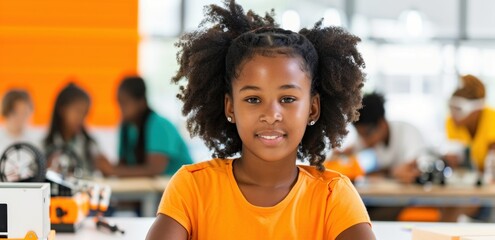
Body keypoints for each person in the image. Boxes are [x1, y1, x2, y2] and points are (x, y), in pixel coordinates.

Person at [146, 1, 374, 239]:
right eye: (253, 99)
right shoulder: (193, 188)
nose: (271, 114)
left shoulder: (333, 196)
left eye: (287, 98)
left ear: (313, 108)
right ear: (230, 107)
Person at [98, 76, 193, 177]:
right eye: (119, 103)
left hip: (181, 185)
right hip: (151, 189)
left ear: (141, 102)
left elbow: (155, 169)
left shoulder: (158, 124)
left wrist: (113, 170)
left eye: (124, 103)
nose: (120, 109)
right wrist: (106, 167)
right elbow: (124, 166)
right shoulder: (126, 127)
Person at [350, 92, 426, 183]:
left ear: (382, 124)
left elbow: (416, 169)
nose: (364, 141)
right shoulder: (364, 138)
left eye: (367, 135)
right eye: (360, 135)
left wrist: (397, 172)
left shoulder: (409, 133)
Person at [44, 83, 109, 178]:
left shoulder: (90, 146)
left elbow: (102, 174)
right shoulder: (44, 146)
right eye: (77, 111)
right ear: (61, 109)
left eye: (85, 113)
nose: (81, 118)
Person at [445, 74, 495, 171]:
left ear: (476, 110)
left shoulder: (492, 118)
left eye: (458, 109)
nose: (453, 114)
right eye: (451, 107)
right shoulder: (450, 122)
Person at [0, 89, 38, 154]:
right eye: (15, 113)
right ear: (6, 112)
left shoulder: (39, 137)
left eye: (24, 113)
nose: (21, 118)